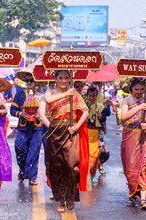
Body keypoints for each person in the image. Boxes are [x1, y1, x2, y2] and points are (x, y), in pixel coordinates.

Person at [44, 70, 90, 212]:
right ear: (56, 79)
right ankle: (60, 200)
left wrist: (76, 126)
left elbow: (86, 111)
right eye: (60, 78)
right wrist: (66, 94)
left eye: (66, 78)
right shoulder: (50, 93)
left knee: (71, 166)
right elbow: (48, 101)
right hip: (54, 131)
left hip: (70, 131)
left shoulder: (75, 94)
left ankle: (71, 197)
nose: (63, 81)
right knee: (57, 167)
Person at [121, 78, 146, 210]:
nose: (139, 92)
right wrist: (139, 107)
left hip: (145, 138)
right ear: (131, 88)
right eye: (136, 89)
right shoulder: (126, 100)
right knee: (130, 169)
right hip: (130, 137)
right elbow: (124, 117)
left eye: (142, 89)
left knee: (144, 167)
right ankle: (132, 195)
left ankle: (143, 199)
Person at [10, 73, 42, 185]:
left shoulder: (41, 95)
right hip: (23, 128)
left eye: (31, 80)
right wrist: (20, 113)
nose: (29, 82)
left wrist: (41, 115)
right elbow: (12, 110)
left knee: (34, 152)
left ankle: (32, 177)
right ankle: (22, 170)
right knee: (19, 149)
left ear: (35, 82)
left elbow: (47, 111)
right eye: (27, 80)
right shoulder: (20, 94)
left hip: (36, 129)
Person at [86, 86, 110, 182]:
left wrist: (99, 113)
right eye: (90, 96)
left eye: (94, 96)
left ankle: (93, 174)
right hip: (86, 133)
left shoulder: (100, 106)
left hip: (97, 133)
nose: (92, 98)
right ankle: (87, 174)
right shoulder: (85, 106)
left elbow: (103, 120)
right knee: (86, 154)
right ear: (87, 96)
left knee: (95, 155)